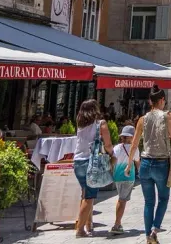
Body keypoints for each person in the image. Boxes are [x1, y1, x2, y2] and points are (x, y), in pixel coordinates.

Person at [126, 86, 171, 244]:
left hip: (145, 164)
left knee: (149, 202)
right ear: (162, 100)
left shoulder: (142, 119)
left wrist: (129, 165)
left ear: (150, 101)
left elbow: (134, 144)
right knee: (163, 198)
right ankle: (155, 230)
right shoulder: (167, 116)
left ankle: (148, 235)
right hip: (161, 163)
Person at [73, 100, 114, 238]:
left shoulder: (80, 125)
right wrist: (112, 154)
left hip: (78, 162)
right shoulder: (100, 124)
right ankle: (79, 230)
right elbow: (107, 144)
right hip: (92, 163)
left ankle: (88, 224)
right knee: (89, 197)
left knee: (85, 193)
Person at [111, 125, 140, 235]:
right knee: (122, 200)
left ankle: (118, 223)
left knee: (121, 198)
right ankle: (117, 224)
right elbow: (137, 162)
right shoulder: (134, 148)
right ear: (132, 137)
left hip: (117, 177)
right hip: (128, 177)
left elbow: (113, 161)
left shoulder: (117, 147)